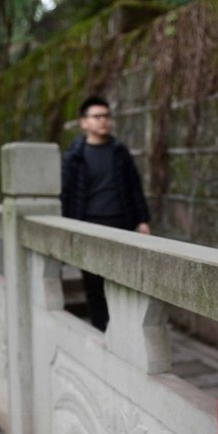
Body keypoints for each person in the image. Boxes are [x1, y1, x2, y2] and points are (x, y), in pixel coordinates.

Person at [61, 96, 151, 331]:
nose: (103, 121)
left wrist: (142, 220)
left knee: (125, 280)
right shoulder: (74, 156)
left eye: (106, 116)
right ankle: (101, 329)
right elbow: (66, 194)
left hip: (121, 222)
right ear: (84, 122)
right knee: (93, 283)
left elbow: (134, 187)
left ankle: (125, 330)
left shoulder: (119, 152)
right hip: (88, 224)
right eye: (97, 116)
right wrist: (68, 226)